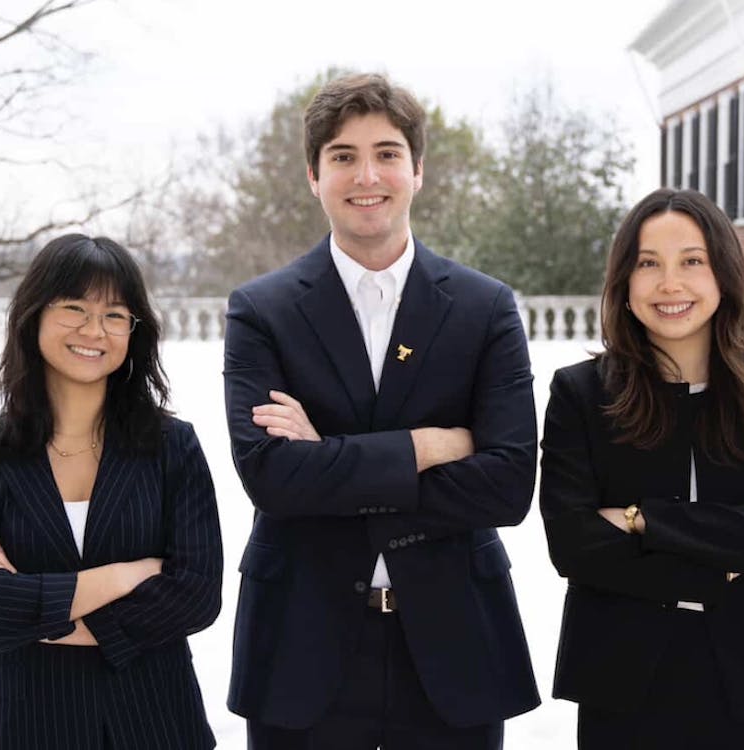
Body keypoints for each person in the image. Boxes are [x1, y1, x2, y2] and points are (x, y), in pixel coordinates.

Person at [223, 73, 539, 749]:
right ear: (313, 174)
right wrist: (429, 447)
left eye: (388, 153)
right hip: (301, 650)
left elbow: (508, 485)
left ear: (418, 170)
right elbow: (272, 480)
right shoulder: (261, 311)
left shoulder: (486, 309)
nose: (367, 174)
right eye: (343, 156)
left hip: (456, 647)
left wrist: (328, 462)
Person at [538, 188, 744, 749]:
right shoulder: (580, 395)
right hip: (621, 681)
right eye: (649, 264)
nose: (670, 284)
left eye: (691, 261)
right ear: (624, 282)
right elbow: (573, 544)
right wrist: (723, 560)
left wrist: (641, 518)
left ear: (723, 273)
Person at [0, 234, 223, 750]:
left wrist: (39, 613)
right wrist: (124, 575)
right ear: (34, 316)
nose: (95, 330)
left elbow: (197, 595)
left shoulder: (172, 447)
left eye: (115, 315)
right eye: (74, 307)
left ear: (134, 332)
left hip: (155, 722)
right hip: (23, 725)